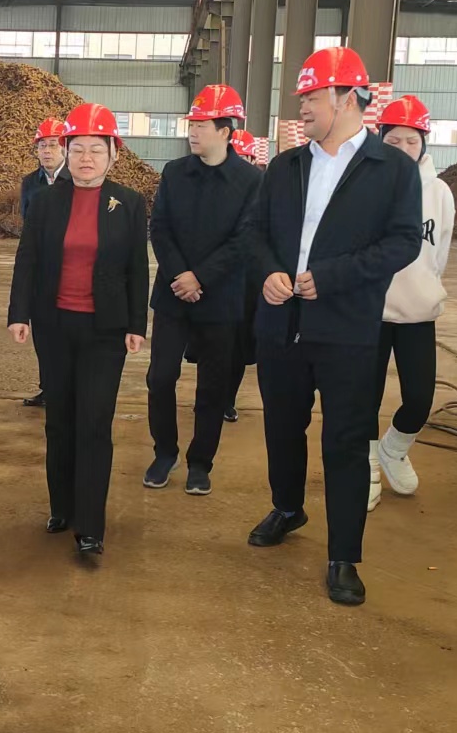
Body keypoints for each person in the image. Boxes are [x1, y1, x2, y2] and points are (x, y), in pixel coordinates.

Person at [242, 47, 422, 607]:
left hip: (347, 330)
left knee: (344, 441)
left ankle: (344, 555)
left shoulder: (391, 169)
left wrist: (333, 277)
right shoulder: (286, 166)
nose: (303, 108)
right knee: (281, 427)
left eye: (313, 97)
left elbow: (403, 242)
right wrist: (269, 272)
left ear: (348, 99)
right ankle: (287, 507)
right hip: (281, 325)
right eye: (302, 97)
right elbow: (253, 231)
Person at [6, 104, 148, 557]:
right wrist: (19, 314)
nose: (87, 158)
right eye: (78, 148)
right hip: (54, 326)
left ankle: (90, 525)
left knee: (94, 423)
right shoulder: (46, 201)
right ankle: (61, 508)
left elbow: (137, 268)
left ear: (113, 154)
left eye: (96, 149)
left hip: (106, 331)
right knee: (60, 421)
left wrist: (137, 323)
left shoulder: (128, 203)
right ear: (66, 152)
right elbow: (27, 258)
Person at [143, 82, 261, 496]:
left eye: (202, 125)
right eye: (191, 124)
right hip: (174, 295)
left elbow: (245, 240)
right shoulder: (175, 172)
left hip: (221, 299)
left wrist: (202, 277)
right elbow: (160, 228)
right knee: (160, 377)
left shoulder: (250, 180)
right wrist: (181, 275)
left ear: (225, 131)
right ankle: (164, 452)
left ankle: (200, 463)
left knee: (212, 387)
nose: (193, 131)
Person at [369, 95, 456, 510]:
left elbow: (439, 255)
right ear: (380, 140)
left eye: (411, 141)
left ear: (424, 143)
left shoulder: (439, 192)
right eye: (393, 140)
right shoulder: (364, 187)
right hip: (369, 312)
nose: (403, 148)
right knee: (363, 397)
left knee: (420, 398)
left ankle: (394, 449)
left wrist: (422, 286)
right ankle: (366, 462)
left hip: (418, 312)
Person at [18, 117, 67, 409]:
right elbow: (28, 225)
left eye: (52, 145)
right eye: (42, 146)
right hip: (41, 269)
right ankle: (48, 388)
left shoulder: (75, 179)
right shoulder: (30, 183)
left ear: (64, 148)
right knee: (44, 334)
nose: (47, 151)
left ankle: (67, 389)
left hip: (70, 267)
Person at [221, 125, 266, 424]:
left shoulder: (264, 192)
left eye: (244, 158)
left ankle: (227, 399)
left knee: (238, 345)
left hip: (248, 282)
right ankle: (211, 395)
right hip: (216, 279)